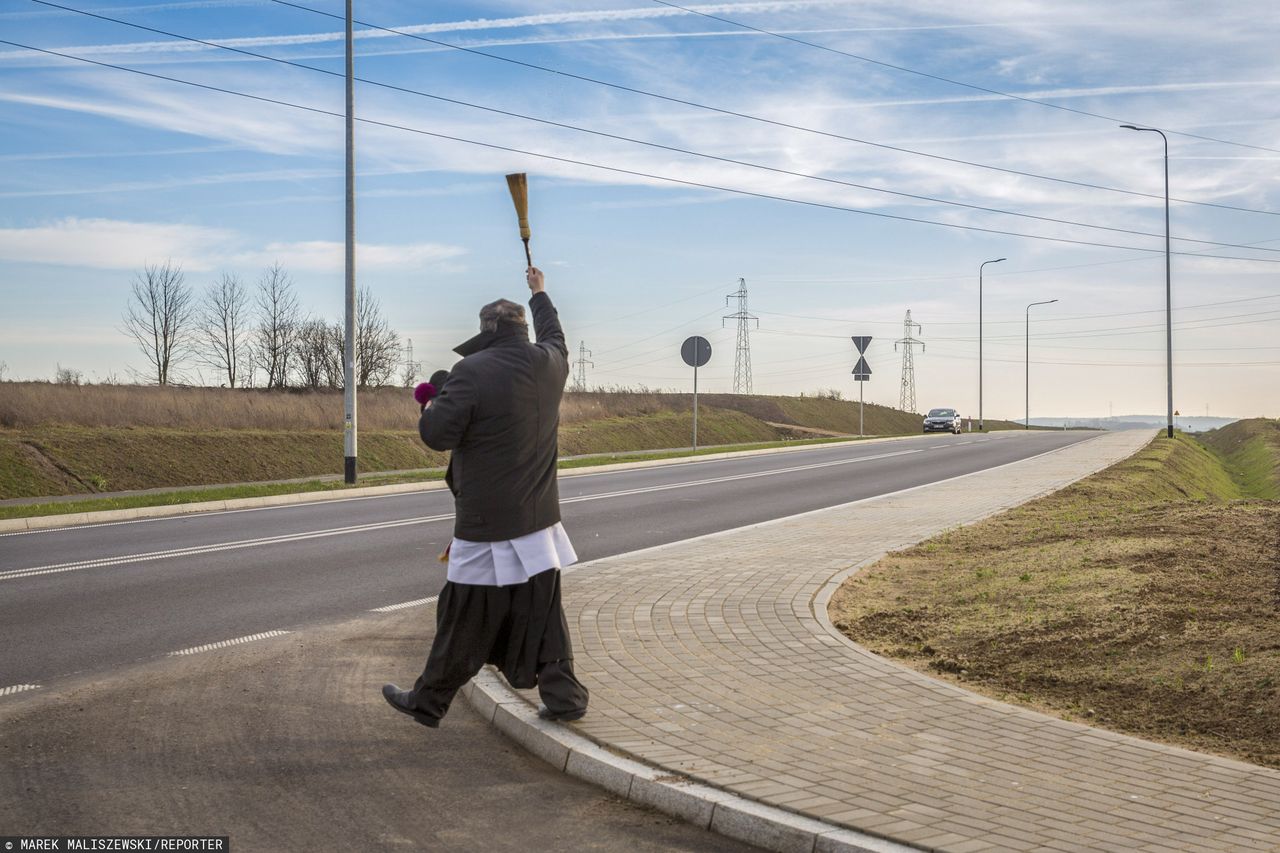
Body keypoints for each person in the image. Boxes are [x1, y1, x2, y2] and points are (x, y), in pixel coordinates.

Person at [382, 267, 589, 728]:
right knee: (545, 614)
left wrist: (430, 403)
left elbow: (437, 435)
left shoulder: (469, 371)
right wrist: (541, 292)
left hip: (488, 526)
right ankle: (565, 698)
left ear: (486, 331)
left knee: (462, 617)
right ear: (522, 327)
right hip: (540, 522)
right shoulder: (551, 362)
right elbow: (555, 334)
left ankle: (428, 700)